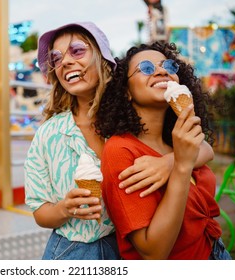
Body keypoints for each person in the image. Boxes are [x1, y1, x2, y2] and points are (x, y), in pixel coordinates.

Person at [24, 22, 214, 260]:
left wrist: (169, 163)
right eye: (56, 58)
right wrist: (64, 208)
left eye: (77, 51)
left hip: (128, 250)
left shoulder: (131, 116)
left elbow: (204, 148)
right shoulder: (48, 134)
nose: (66, 61)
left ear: (102, 57)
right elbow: (39, 210)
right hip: (72, 251)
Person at [96, 41, 231, 260]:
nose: (161, 71)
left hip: (215, 252)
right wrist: (180, 165)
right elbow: (153, 252)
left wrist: (168, 162)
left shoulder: (174, 139)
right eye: (147, 68)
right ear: (126, 92)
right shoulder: (120, 150)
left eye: (169, 66)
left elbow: (206, 149)